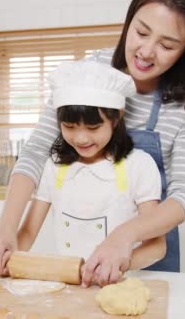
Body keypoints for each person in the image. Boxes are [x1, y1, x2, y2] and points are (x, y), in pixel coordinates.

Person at [0, 0, 185, 287]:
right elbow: (36, 151)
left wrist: (125, 236)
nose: (146, 51)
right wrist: (6, 230)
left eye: (166, 45)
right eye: (141, 32)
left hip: (147, 251)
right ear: (129, 21)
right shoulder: (88, 73)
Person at [16, 60, 167, 274]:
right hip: (70, 285)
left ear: (116, 119)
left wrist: (113, 267)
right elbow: (27, 234)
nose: (81, 138)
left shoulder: (139, 166)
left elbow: (157, 246)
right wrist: (5, 253)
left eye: (93, 127)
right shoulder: (54, 167)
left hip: (120, 284)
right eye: (69, 127)